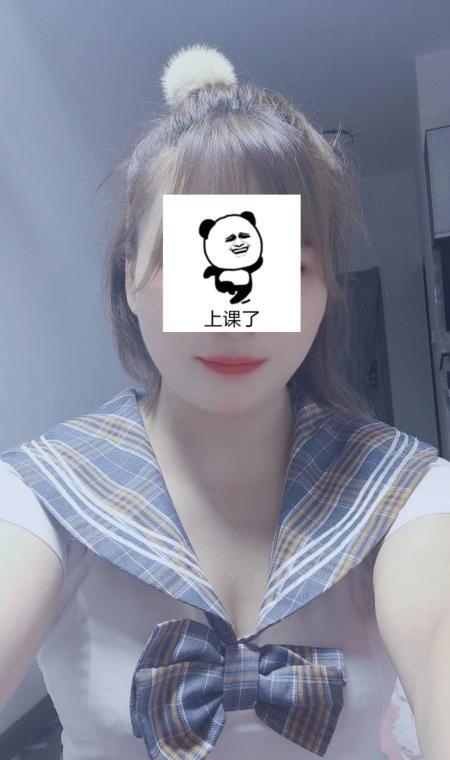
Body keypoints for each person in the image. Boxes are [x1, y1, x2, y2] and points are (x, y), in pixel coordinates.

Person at [1, 42, 449, 760]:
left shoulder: (405, 490)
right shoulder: (40, 494)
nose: (234, 312)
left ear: (324, 288)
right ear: (129, 277)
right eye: (191, 263)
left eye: (282, 266)